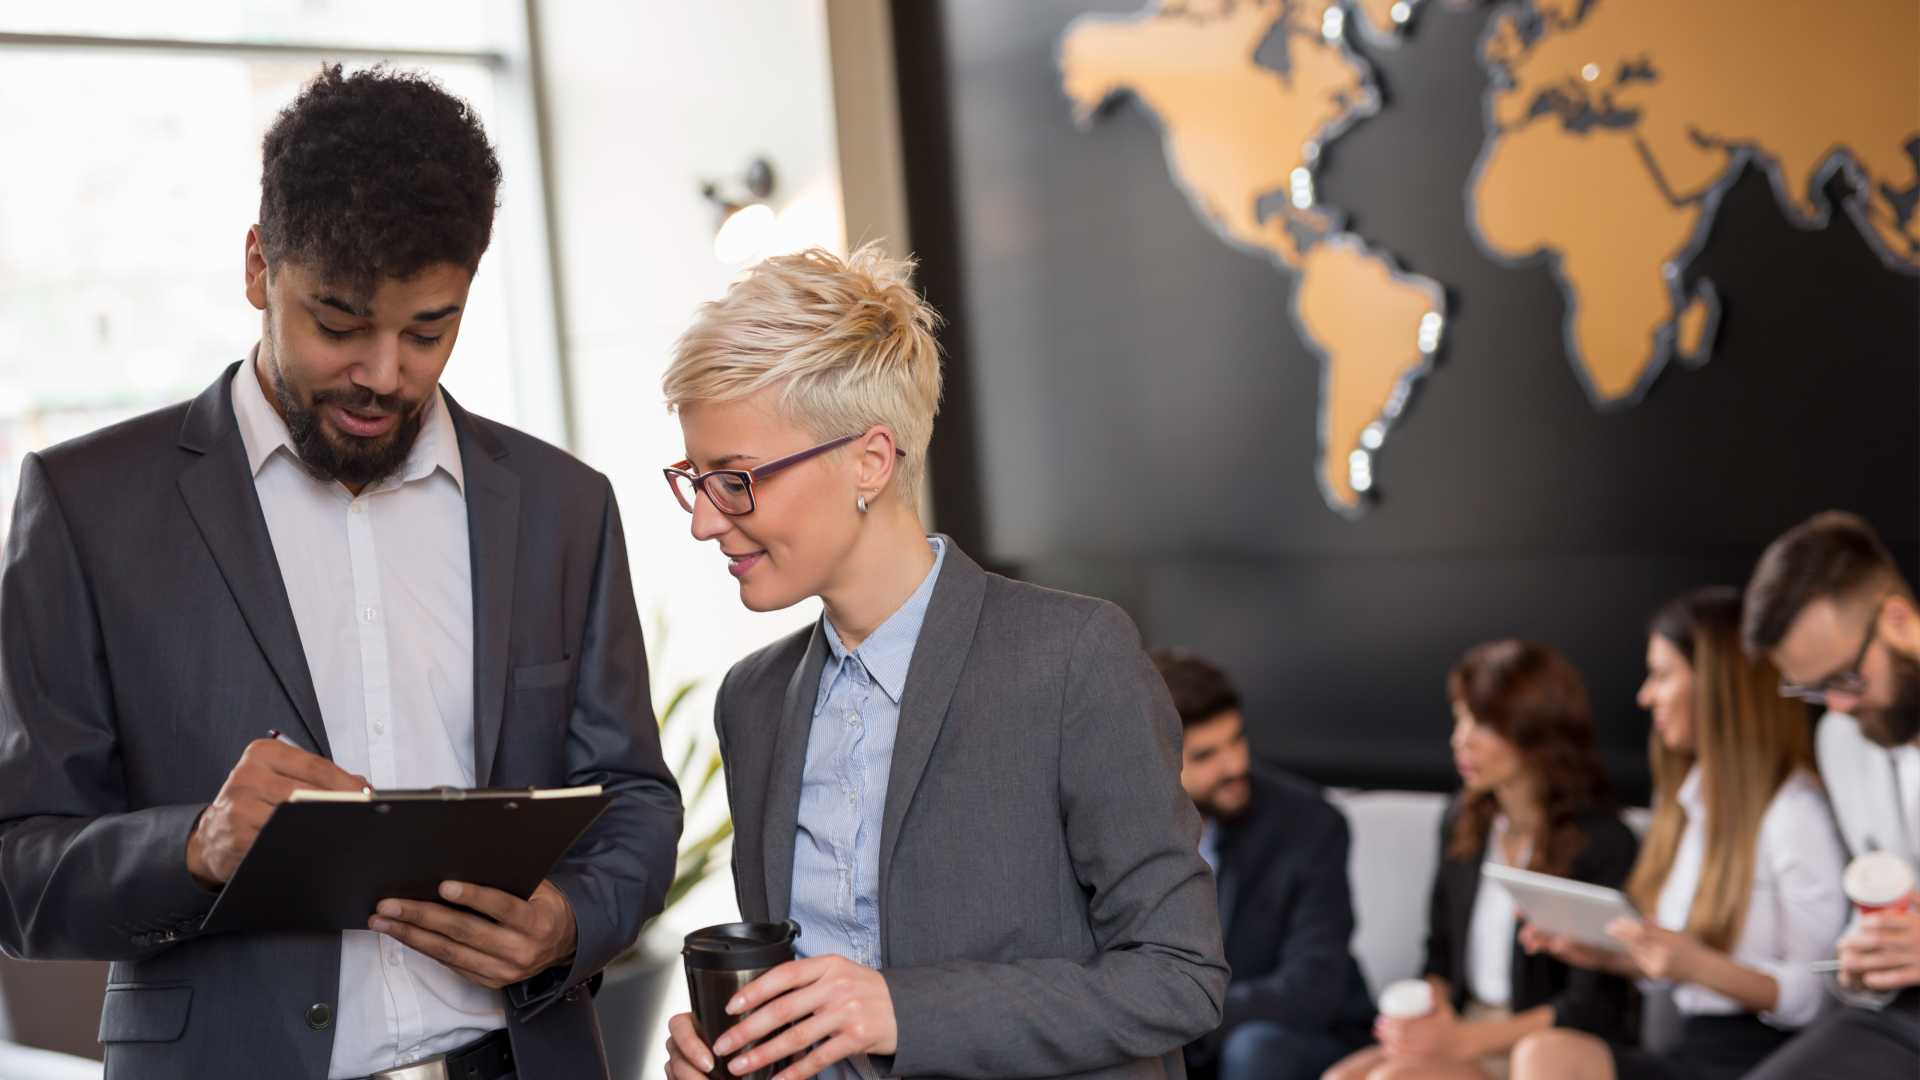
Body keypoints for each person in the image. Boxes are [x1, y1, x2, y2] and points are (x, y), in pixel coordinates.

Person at [0, 66, 683, 1079]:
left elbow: (633, 793)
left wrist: (570, 920)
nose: (383, 374)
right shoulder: (88, 507)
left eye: (427, 330)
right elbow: (16, 869)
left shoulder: (560, 505)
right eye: (338, 322)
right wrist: (199, 844)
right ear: (256, 266)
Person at [658, 245, 1227, 1080]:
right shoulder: (753, 699)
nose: (706, 522)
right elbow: (812, 1011)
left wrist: (900, 1010)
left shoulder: (1071, 658)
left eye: (736, 480)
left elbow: (1179, 978)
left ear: (870, 460)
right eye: (694, 479)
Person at [1509, 588, 1849, 1080]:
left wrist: (1695, 965)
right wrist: (1608, 954)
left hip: (1773, 1061)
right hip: (1695, 1052)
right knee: (1546, 1055)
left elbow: (1817, 997)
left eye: (1663, 675)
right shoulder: (1689, 807)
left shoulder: (1794, 812)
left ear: (1717, 685)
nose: (1645, 696)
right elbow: (1676, 966)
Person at [1325, 640, 1639, 1080]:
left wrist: (1461, 1041)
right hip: (1469, 1025)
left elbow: (1593, 1005)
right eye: (1459, 719)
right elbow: (1440, 955)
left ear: (1534, 732)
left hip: (1542, 1043)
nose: (1460, 740)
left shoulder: (1603, 840)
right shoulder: (1464, 820)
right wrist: (1424, 1015)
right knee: (1339, 1078)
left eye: (1481, 723)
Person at [1739, 511, 1920, 1079]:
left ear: (1897, 619)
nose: (1837, 707)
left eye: (1844, 679)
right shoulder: (1841, 739)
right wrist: (1861, 959)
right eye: (1812, 689)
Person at [1152, 650, 1375, 1080]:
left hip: (1300, 1038)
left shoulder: (1310, 825)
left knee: (1254, 1049)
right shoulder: (1109, 832)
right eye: (1205, 755)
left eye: (1237, 739)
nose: (1236, 765)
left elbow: (1312, 988)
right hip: (1177, 1041)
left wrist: (1176, 1016)